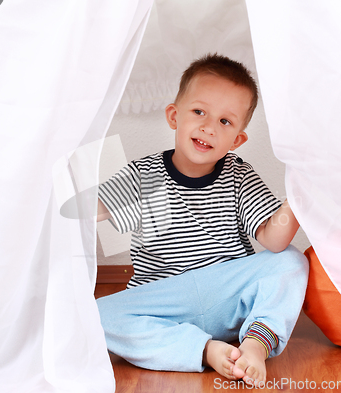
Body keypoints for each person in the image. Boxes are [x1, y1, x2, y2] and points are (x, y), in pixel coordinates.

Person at [96, 53, 308, 387]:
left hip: (225, 294)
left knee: (292, 260)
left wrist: (300, 196)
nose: (209, 127)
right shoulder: (143, 174)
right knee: (96, 316)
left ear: (237, 139)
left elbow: (274, 239)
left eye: (225, 122)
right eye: (199, 112)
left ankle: (255, 345)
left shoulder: (238, 174)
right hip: (163, 299)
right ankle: (205, 350)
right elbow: (89, 211)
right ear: (173, 116)